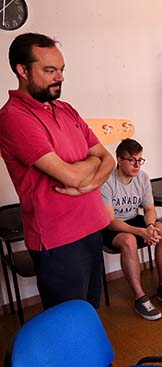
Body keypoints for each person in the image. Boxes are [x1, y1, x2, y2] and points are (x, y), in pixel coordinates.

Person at [0, 33, 115, 309]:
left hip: (90, 227)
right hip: (58, 240)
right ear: (22, 70)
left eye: (61, 70)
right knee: (67, 323)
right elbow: (71, 177)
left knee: (89, 312)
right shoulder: (14, 118)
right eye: (50, 71)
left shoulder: (66, 110)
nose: (60, 78)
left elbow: (108, 159)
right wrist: (89, 168)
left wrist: (87, 185)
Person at [101, 139, 162, 320]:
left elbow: (149, 209)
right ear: (119, 160)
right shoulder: (106, 182)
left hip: (134, 220)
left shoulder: (142, 177)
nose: (137, 165)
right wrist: (140, 232)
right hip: (111, 227)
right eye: (131, 160)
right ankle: (140, 297)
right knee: (128, 241)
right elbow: (111, 221)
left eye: (140, 160)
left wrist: (150, 227)